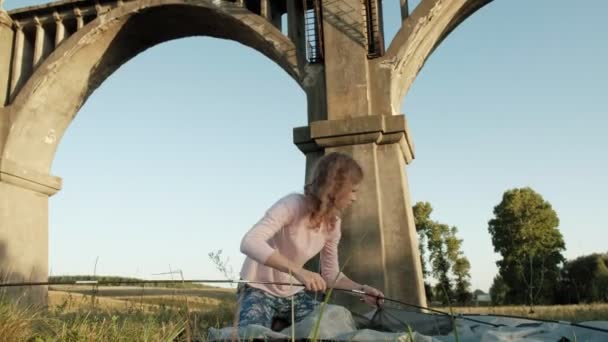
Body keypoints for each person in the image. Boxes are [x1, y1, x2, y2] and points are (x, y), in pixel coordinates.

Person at [237, 152, 385, 329]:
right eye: (352, 190)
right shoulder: (292, 204)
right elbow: (250, 242)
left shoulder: (333, 225)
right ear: (335, 188)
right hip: (257, 289)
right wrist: (299, 271)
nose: (354, 198)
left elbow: (330, 275)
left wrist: (361, 289)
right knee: (252, 335)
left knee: (334, 324)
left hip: (293, 295)